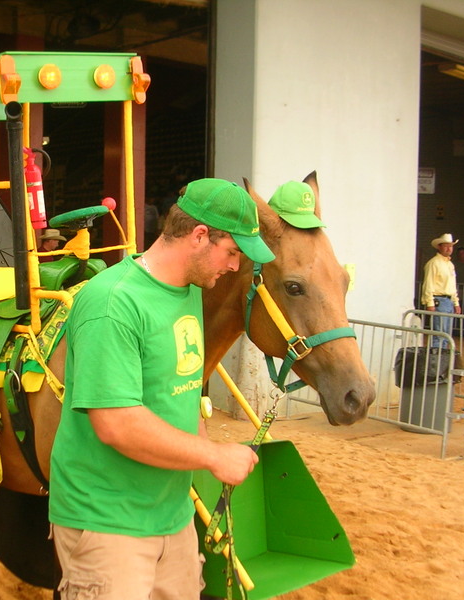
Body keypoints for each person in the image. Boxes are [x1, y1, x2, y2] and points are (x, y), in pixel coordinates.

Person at [48, 178, 274, 599]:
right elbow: (117, 424)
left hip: (171, 516)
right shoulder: (113, 302)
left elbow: (180, 392)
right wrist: (213, 457)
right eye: (233, 253)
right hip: (108, 522)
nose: (235, 266)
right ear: (200, 236)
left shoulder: (187, 291)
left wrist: (203, 446)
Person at [421, 233, 461, 348]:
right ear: (439, 247)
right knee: (439, 335)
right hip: (439, 300)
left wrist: (455, 302)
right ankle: (436, 363)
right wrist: (430, 302)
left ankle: (441, 362)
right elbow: (428, 284)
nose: (449, 248)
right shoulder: (433, 263)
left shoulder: (450, 264)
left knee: (446, 335)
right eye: (446, 246)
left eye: (451, 246)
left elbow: (452, 286)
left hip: (448, 301)